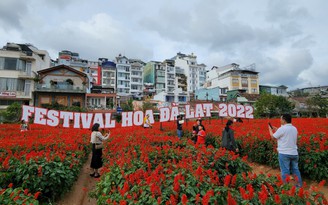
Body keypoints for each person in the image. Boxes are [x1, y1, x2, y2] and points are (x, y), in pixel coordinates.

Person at [269, 114, 302, 187]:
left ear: (284, 120)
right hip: (294, 153)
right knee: (295, 170)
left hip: (284, 154)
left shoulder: (282, 129)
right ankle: (298, 187)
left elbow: (273, 137)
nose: (280, 120)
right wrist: (277, 129)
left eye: (281, 119)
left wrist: (270, 130)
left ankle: (286, 187)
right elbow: (286, 134)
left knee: (285, 171)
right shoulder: (294, 128)